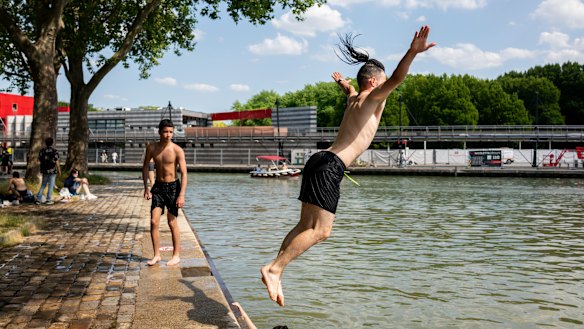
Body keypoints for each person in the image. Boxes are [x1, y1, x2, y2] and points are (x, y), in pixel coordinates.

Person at [261, 26, 435, 307]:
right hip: (331, 165)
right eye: (383, 82)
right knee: (321, 231)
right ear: (375, 82)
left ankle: (277, 271)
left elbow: (350, 89)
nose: (386, 87)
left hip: (318, 160)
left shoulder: (355, 98)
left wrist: (343, 83)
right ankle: (274, 269)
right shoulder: (373, 97)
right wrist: (412, 52)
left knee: (305, 224)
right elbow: (399, 77)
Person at [142, 119, 187, 266]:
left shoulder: (177, 150)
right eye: (166, 132)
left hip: (173, 188)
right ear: (159, 132)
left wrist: (181, 195)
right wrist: (146, 187)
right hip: (158, 188)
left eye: (171, 132)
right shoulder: (152, 148)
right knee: (154, 221)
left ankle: (176, 255)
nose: (168, 135)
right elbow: (145, 167)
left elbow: (184, 174)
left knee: (171, 222)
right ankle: (156, 255)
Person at [36, 137, 61, 205]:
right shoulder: (54, 151)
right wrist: (59, 170)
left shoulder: (42, 151)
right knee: (51, 185)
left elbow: (39, 160)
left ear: (45, 143)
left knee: (43, 184)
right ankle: (48, 199)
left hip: (44, 170)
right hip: (52, 170)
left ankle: (38, 198)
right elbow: (57, 162)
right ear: (52, 143)